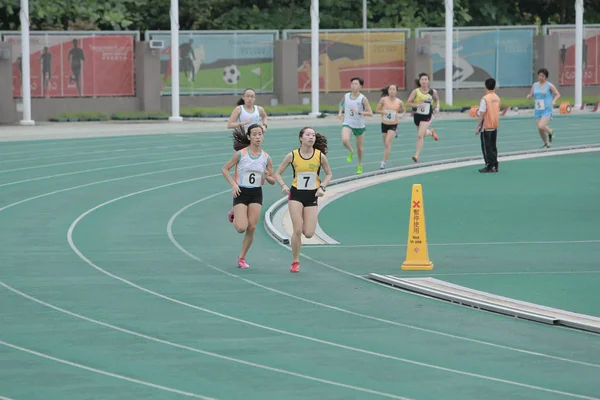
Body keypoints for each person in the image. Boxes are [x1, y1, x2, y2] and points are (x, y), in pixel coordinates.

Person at [274, 127, 333, 273]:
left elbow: (329, 174)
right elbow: (278, 173)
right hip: (296, 194)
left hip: (312, 195)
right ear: (301, 138)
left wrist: (322, 187)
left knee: (309, 233)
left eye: (313, 135)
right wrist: (283, 185)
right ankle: (295, 261)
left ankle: (296, 257)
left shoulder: (319, 156)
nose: (311, 137)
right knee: (298, 229)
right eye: (308, 135)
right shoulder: (292, 155)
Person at [221, 124, 276, 269]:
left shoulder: (266, 158)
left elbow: (272, 180)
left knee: (251, 227)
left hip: (256, 193)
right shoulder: (241, 154)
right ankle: (234, 215)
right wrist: (233, 184)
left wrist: (267, 176)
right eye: (255, 134)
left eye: (260, 134)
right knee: (241, 228)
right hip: (241, 192)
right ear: (249, 137)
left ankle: (241, 258)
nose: (258, 137)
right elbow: (225, 169)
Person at [337, 77, 373, 174]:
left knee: (360, 147)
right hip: (348, 122)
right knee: (345, 140)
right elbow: (341, 104)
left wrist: (360, 112)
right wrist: (340, 113)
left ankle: (360, 164)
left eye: (356, 84)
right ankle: (351, 151)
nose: (353, 86)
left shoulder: (363, 99)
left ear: (360, 86)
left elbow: (370, 113)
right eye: (352, 84)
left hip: (359, 125)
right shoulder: (346, 96)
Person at [405, 73, 440, 163]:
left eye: (426, 79)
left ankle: (416, 155)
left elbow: (437, 100)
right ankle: (431, 132)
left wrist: (437, 107)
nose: (424, 81)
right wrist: (418, 105)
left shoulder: (433, 92)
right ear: (419, 81)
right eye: (422, 79)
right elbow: (408, 103)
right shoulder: (415, 92)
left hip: (427, 115)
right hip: (417, 115)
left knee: (420, 135)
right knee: (423, 134)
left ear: (428, 81)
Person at [526, 68, 560, 148]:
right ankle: (546, 143)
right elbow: (531, 95)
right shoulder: (534, 85)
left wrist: (553, 101)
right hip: (538, 110)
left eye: (542, 76)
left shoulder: (549, 85)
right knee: (540, 129)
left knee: (541, 126)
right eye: (539, 75)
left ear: (545, 77)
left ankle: (550, 131)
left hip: (547, 109)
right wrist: (529, 96)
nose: (540, 77)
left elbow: (557, 94)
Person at [375, 84, 406, 169]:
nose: (392, 91)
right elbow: (377, 110)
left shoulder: (399, 102)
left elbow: (404, 111)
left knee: (388, 143)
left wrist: (401, 115)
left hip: (393, 124)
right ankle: (395, 132)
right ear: (388, 91)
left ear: (396, 91)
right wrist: (383, 112)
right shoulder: (383, 100)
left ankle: (383, 162)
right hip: (384, 124)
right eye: (390, 89)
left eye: (393, 89)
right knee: (385, 144)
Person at [475, 78, 501, 173]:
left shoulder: (485, 99)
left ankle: (489, 165)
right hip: (494, 125)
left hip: (486, 125)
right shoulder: (497, 98)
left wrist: (478, 126)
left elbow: (482, 113)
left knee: (486, 147)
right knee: (493, 146)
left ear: (486, 86)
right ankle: (495, 164)